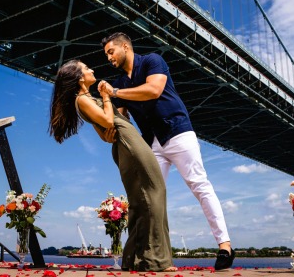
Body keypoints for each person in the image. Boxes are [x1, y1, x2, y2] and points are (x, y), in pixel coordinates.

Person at [100, 32, 235, 270]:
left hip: (178, 132)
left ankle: (225, 246)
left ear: (124, 46)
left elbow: (153, 90)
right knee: (150, 197)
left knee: (199, 185)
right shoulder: (119, 82)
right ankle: (153, 256)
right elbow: (120, 118)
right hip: (152, 143)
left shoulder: (153, 60)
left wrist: (114, 93)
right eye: (106, 55)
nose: (109, 58)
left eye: (111, 52)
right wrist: (107, 131)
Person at [48, 59, 176, 272]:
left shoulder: (87, 98)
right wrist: (108, 96)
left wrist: (106, 130)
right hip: (129, 144)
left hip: (126, 141)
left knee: (141, 199)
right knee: (153, 193)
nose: (92, 69)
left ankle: (136, 258)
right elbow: (107, 122)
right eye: (87, 68)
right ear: (80, 78)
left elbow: (103, 127)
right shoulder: (82, 99)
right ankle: (153, 259)